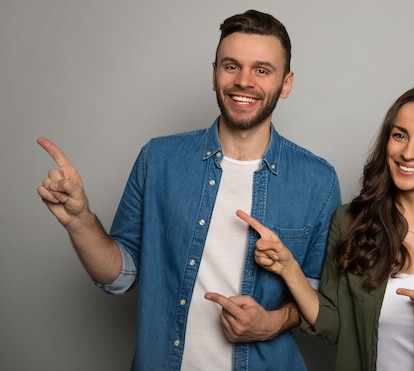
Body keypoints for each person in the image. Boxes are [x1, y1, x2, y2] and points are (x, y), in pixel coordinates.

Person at [37, 9, 341, 371]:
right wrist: (79, 221)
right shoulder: (159, 159)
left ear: (286, 84)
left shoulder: (317, 180)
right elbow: (119, 276)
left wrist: (270, 323)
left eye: (261, 70)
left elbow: (319, 294)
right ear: (214, 74)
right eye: (231, 66)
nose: (244, 81)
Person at [241, 86, 414, 370]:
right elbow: (333, 326)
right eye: (400, 136)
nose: (408, 153)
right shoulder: (350, 222)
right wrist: (289, 269)